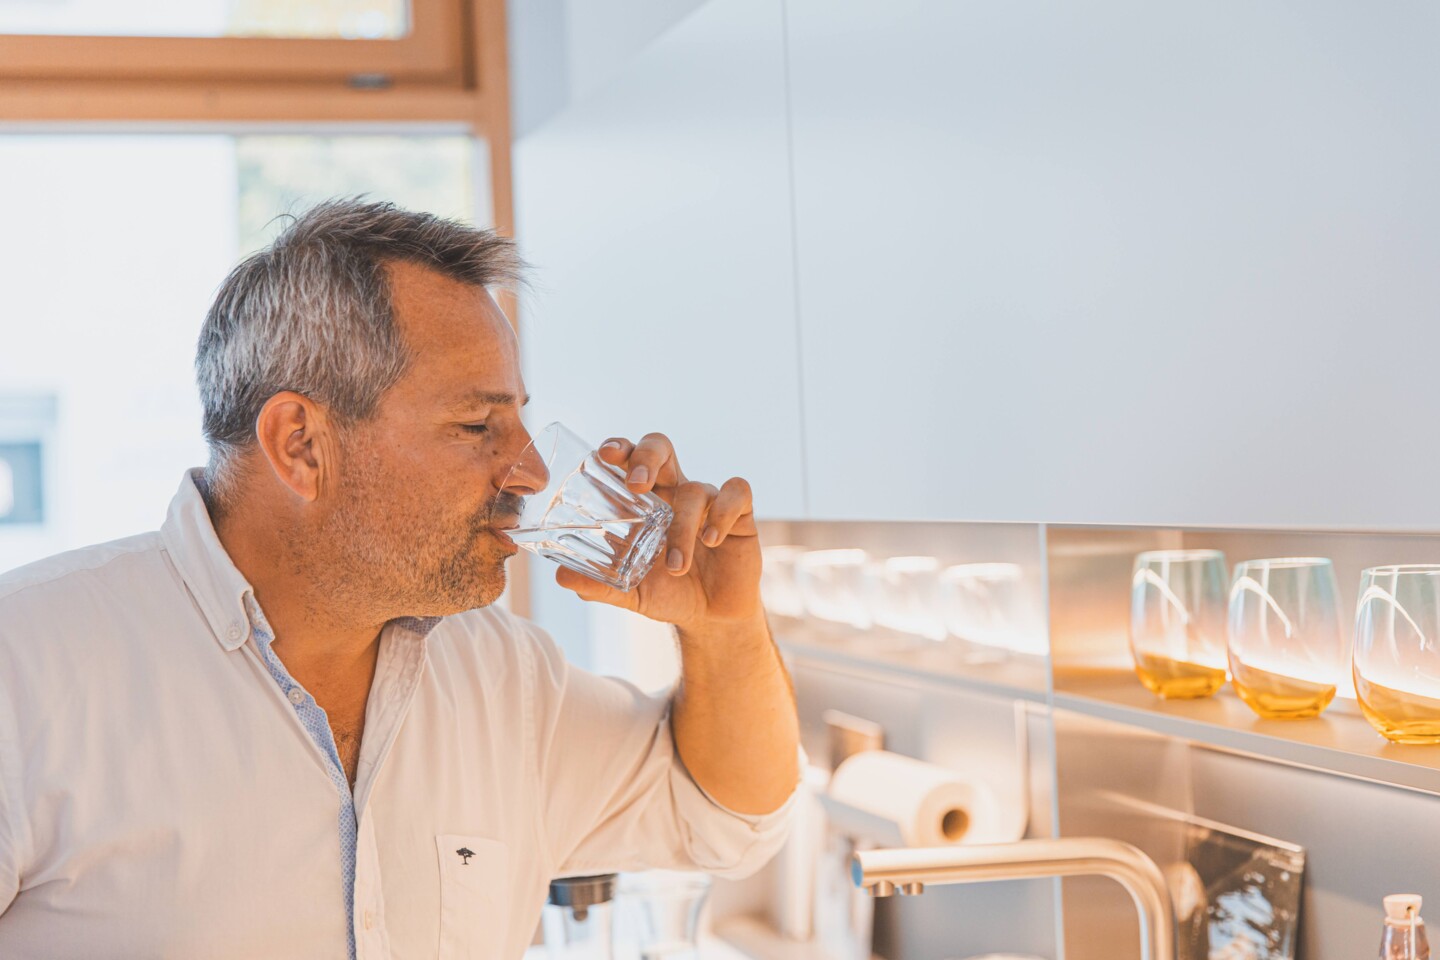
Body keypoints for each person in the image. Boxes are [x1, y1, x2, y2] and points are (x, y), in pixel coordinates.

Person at [0, 200, 801, 959]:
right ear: (300, 445)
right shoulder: (25, 670)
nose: (529, 471)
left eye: (519, 420)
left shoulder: (504, 677)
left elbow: (724, 814)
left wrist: (723, 628)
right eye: (477, 425)